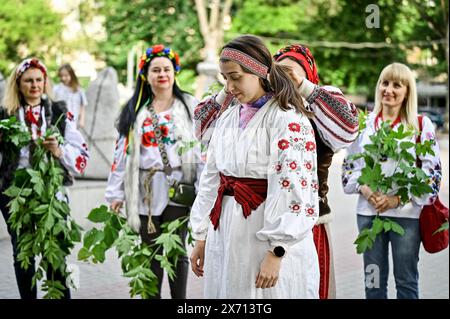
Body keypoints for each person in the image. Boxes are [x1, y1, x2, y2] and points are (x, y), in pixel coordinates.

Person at [194, 44, 359, 299]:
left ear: (260, 73)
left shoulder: (287, 118)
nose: (228, 87)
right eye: (225, 78)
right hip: (224, 232)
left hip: (266, 235)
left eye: (235, 77)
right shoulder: (228, 117)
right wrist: (202, 235)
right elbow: (210, 179)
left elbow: (295, 188)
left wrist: (277, 251)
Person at [105, 44, 202, 299]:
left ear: (175, 72)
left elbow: (202, 148)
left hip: (178, 188)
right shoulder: (134, 110)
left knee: (176, 251)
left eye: (166, 69)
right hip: (145, 190)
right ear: (146, 76)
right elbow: (121, 154)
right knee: (149, 255)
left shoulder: (190, 105)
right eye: (155, 70)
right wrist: (115, 193)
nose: (162, 74)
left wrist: (203, 186)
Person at [341, 62, 442, 299]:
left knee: (406, 281)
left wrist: (396, 199)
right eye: (385, 83)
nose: (389, 89)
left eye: (397, 85)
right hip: (369, 215)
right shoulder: (364, 123)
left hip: (406, 217)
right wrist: (366, 190)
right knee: (373, 282)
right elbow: (349, 167)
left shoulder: (419, 125)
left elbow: (432, 175)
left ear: (408, 91)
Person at [0, 58, 89, 299]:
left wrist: (59, 151)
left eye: (39, 80)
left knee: (55, 252)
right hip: (15, 196)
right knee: (24, 254)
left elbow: (82, 153)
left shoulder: (59, 112)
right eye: (28, 80)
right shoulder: (5, 115)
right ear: (18, 84)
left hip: (53, 193)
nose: (34, 85)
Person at [54, 63, 88, 128]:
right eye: (61, 76)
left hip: (74, 121)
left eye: (66, 75)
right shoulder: (57, 89)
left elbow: (82, 106)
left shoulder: (79, 90)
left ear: (71, 75)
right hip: (60, 122)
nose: (63, 78)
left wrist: (82, 120)